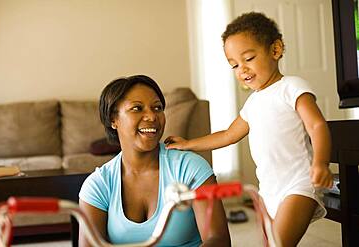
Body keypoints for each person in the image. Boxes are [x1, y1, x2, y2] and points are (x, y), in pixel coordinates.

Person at [165, 12, 333, 246]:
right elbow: (228, 135)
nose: (242, 69)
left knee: (279, 243)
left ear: (275, 50)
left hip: (299, 183)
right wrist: (187, 144)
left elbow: (317, 125)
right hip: (268, 190)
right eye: (234, 65)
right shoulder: (253, 102)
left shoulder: (292, 87)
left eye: (249, 58)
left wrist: (321, 163)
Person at [78, 75, 231, 247]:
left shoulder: (190, 167)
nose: (152, 116)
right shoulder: (98, 185)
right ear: (114, 119)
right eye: (137, 108)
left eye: (157, 108)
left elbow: (219, 240)